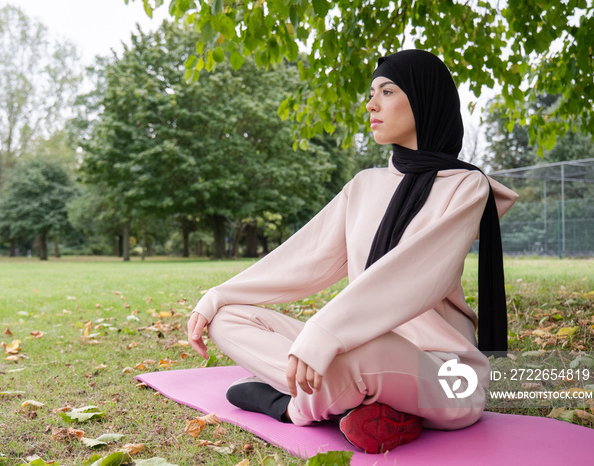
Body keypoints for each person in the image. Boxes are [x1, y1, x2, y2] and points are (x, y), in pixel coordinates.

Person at [186, 49, 518, 454]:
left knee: (351, 353)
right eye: (371, 93)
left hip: (443, 372)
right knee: (228, 319)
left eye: (388, 91)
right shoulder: (364, 185)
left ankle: (288, 406)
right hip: (361, 350)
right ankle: (364, 406)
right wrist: (218, 295)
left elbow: (414, 274)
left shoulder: (465, 187)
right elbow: (305, 258)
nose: (371, 103)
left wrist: (328, 332)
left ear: (425, 99)